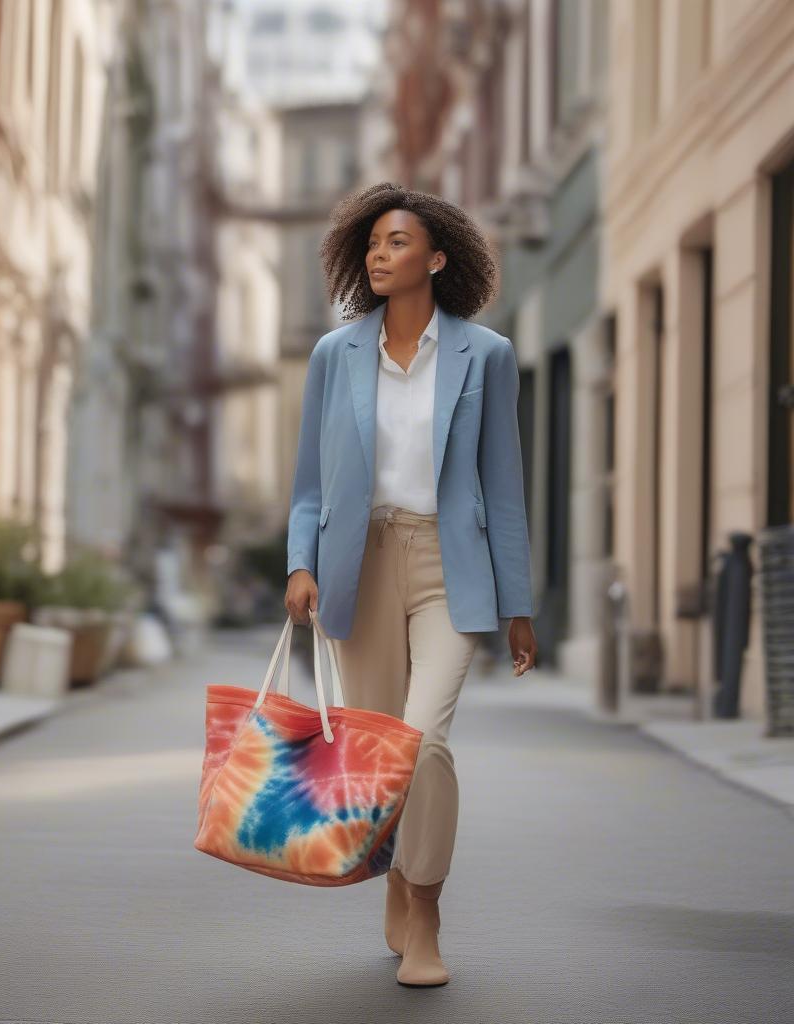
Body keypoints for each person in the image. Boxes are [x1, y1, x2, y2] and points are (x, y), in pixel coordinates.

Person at [284, 182, 538, 988]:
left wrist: (518, 602)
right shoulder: (335, 354)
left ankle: (424, 906)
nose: (379, 255)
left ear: (437, 257)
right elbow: (308, 486)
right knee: (377, 749)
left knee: (423, 743)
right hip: (357, 563)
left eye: (397, 243)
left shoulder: (486, 355)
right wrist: (300, 562)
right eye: (372, 244)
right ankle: (394, 874)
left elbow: (504, 488)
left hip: (446, 565)